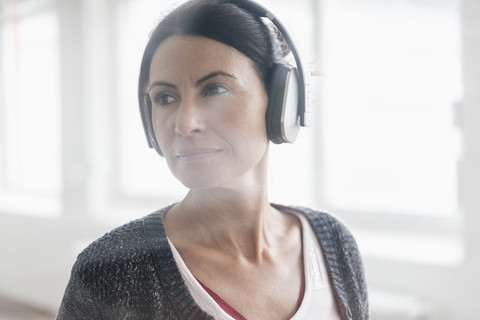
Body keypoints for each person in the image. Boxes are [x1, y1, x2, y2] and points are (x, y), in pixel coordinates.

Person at [56, 0, 368, 319]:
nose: (184, 123)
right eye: (165, 98)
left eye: (214, 89)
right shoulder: (107, 274)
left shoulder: (334, 244)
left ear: (281, 103)